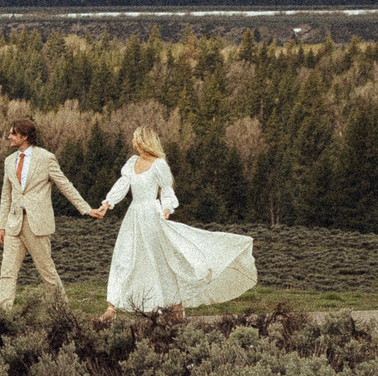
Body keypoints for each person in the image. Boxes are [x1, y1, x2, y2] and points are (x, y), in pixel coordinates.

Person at [87, 126, 257, 322]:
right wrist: (107, 205)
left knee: (161, 260)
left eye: (135, 139)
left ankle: (176, 307)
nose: (132, 142)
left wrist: (166, 208)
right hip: (133, 216)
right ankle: (112, 307)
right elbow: (122, 185)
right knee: (123, 258)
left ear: (143, 141)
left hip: (152, 215)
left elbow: (166, 191)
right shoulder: (132, 163)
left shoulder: (159, 165)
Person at [0, 115, 90, 306]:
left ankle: (63, 314)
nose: (8, 137)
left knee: (47, 273)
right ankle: (2, 316)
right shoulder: (9, 161)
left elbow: (65, 185)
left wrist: (86, 210)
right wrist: (2, 226)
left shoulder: (46, 158)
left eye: (12, 134)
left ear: (24, 136)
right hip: (14, 225)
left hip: (37, 225)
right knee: (7, 273)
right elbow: (6, 195)